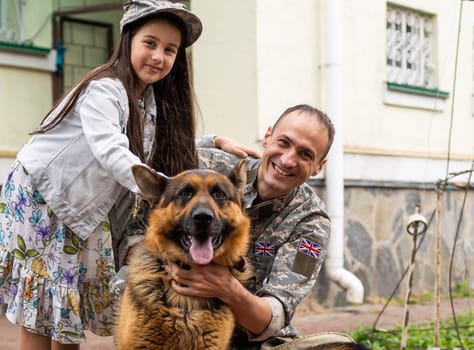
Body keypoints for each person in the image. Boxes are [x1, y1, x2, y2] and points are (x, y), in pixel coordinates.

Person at [0, 0, 207, 348]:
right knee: (43, 308)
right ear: (128, 41)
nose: (158, 56)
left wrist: (213, 142)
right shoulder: (105, 89)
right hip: (47, 198)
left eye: (170, 50)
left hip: (83, 207)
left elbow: (146, 148)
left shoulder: (147, 100)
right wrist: (166, 189)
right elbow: (111, 149)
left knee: (68, 306)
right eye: (150, 43)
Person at [166, 104, 339, 349]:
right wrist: (211, 140)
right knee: (125, 283)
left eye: (305, 154)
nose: (288, 160)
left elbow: (272, 317)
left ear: (318, 167)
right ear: (267, 137)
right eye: (284, 142)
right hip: (177, 311)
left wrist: (227, 289)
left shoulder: (311, 224)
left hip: (247, 339)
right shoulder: (214, 167)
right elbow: (152, 156)